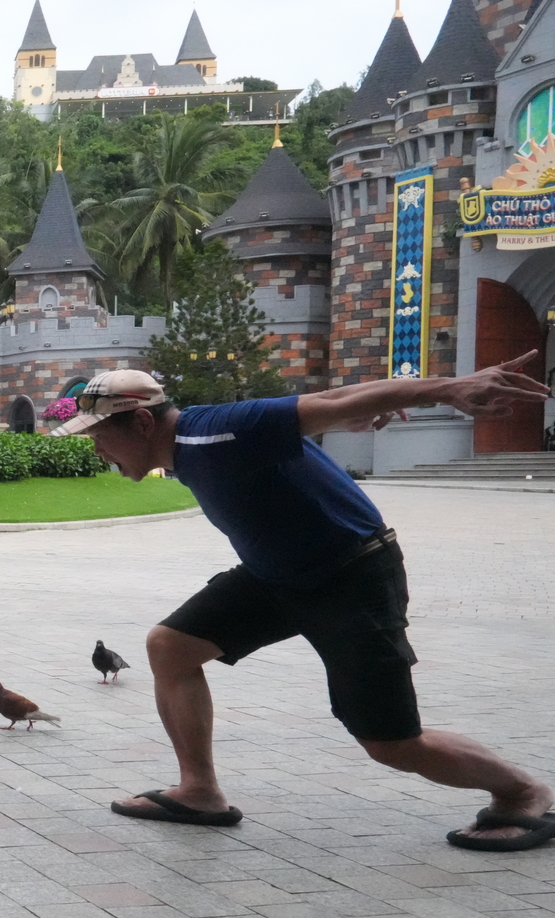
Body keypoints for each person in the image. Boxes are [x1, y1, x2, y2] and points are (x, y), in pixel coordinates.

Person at [55, 359, 555, 851]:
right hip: (276, 576)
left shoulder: (219, 430)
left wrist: (449, 389)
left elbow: (331, 400)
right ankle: (199, 792)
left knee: (392, 744)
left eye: (100, 435)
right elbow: (334, 408)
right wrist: (356, 412)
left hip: (351, 577)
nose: (97, 448)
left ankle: (523, 792)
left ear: (143, 422)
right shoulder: (189, 445)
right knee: (171, 646)